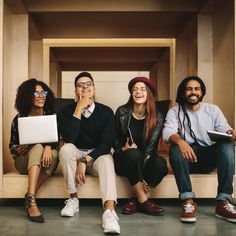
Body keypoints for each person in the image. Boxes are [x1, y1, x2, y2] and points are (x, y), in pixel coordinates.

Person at [162, 76, 236, 223]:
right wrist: (181, 141)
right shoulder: (174, 111)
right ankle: (188, 201)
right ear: (183, 93)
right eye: (189, 89)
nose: (193, 92)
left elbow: (225, 130)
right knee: (175, 148)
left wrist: (231, 134)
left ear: (202, 92)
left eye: (197, 89)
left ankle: (224, 202)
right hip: (186, 160)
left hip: (208, 157)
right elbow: (167, 132)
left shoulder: (213, 110)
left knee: (227, 145)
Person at [58, 72, 120, 234]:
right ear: (75, 90)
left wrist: (85, 160)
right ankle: (73, 199)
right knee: (66, 149)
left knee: (107, 159)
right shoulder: (66, 111)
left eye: (89, 84)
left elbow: (106, 145)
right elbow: (70, 139)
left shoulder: (106, 112)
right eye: (80, 85)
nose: (85, 87)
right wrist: (79, 108)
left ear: (94, 88)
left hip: (97, 156)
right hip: (76, 152)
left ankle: (109, 212)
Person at [113, 77, 168, 215]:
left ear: (149, 93)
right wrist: (123, 148)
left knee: (161, 164)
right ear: (131, 93)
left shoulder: (158, 116)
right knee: (133, 153)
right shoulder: (122, 112)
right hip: (125, 159)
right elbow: (113, 138)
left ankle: (135, 200)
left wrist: (141, 175)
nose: (138, 92)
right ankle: (144, 201)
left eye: (142, 89)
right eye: (135, 90)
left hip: (146, 159)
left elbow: (150, 149)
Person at [9, 78, 59, 223]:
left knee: (55, 154)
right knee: (37, 147)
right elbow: (12, 148)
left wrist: (49, 146)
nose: (41, 95)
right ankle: (32, 202)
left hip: (45, 161)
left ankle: (29, 196)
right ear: (27, 96)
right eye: (36, 93)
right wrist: (24, 146)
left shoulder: (52, 116)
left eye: (43, 92)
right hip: (23, 161)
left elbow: (57, 142)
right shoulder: (19, 118)